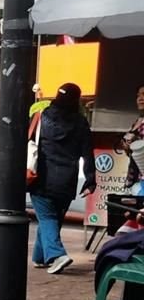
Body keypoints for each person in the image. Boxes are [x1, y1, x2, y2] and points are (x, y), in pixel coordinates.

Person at [29, 83, 96, 274]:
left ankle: (57, 255)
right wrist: (90, 180)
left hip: (42, 177)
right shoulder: (81, 122)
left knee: (48, 217)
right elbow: (88, 153)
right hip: (67, 180)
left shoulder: (43, 116)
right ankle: (40, 257)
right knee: (52, 218)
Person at [120, 84, 144, 194]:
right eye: (138, 95)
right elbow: (131, 151)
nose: (140, 98)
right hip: (134, 174)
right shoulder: (138, 121)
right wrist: (127, 147)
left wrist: (137, 142)